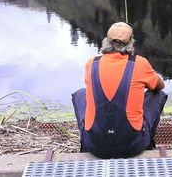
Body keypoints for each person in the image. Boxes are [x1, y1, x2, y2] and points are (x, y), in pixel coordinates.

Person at [72, 22, 167, 158]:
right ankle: (148, 142)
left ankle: (85, 141)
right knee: (158, 94)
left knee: (80, 94)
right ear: (130, 43)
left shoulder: (91, 63)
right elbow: (160, 86)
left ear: (106, 42)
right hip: (133, 146)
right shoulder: (140, 63)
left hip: (95, 146)